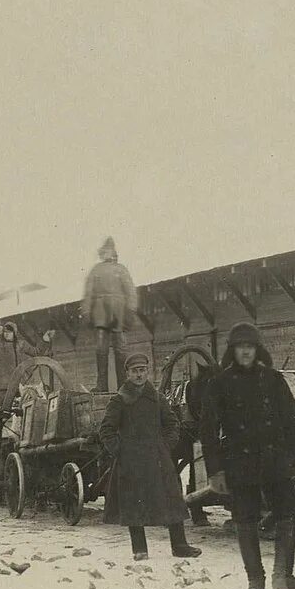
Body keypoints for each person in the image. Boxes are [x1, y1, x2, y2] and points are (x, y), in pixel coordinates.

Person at [199, 322, 295, 589]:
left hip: (276, 460)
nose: (246, 352)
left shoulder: (273, 379)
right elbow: (208, 431)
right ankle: (256, 582)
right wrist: (215, 472)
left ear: (257, 349)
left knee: (288, 513)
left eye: (250, 346)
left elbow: (292, 422)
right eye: (241, 347)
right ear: (233, 351)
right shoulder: (220, 383)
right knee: (245, 518)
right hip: (240, 463)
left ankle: (283, 577)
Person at [99, 353, 202, 561]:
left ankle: (180, 546)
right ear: (127, 373)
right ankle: (140, 549)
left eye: (142, 370)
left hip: (158, 459)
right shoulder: (119, 400)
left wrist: (165, 446)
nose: (139, 375)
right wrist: (121, 451)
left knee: (172, 498)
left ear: (147, 371)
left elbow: (172, 424)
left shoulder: (157, 398)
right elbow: (106, 431)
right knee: (133, 503)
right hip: (131, 461)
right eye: (134, 371)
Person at [81, 237, 138, 393]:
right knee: (101, 349)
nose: (108, 254)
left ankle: (124, 385)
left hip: (117, 312)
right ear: (102, 254)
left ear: (113, 253)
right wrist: (86, 311)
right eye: (105, 252)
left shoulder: (121, 269)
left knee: (121, 349)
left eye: (110, 251)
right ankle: (102, 386)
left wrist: (131, 310)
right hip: (101, 312)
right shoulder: (96, 270)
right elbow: (89, 292)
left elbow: (130, 291)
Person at [0, 322, 51, 438]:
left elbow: (36, 352)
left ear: (14, 333)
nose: (7, 334)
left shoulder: (21, 344)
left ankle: (26, 433)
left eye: (10, 332)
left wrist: (45, 340)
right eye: (5, 332)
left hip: (19, 382)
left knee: (25, 406)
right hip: (2, 384)